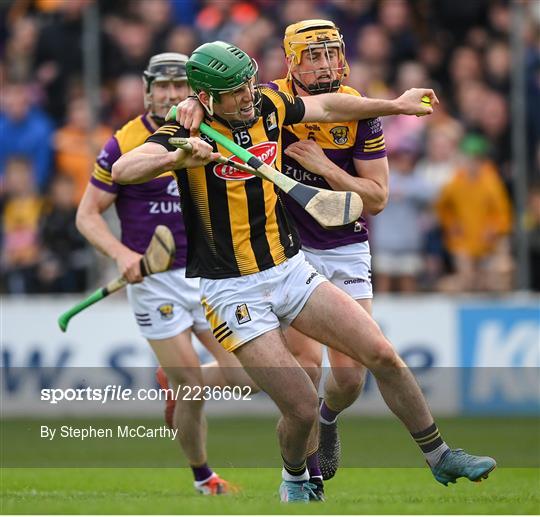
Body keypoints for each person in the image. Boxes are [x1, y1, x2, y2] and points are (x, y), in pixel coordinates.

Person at [112, 41, 495, 503]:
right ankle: (294, 479)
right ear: (209, 96)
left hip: (291, 270)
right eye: (235, 90)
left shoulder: (269, 105)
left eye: (250, 81)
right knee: (299, 407)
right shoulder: (184, 127)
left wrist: (394, 105)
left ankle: (439, 455)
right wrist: (177, 157)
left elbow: (330, 105)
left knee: (382, 354)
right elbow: (123, 168)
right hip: (233, 290)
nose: (248, 94)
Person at [76, 52, 255, 496]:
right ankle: (203, 478)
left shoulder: (209, 127)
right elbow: (87, 215)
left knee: (250, 380)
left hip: (210, 274)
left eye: (180, 87)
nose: (171, 94)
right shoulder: (124, 142)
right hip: (154, 279)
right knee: (193, 385)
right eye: (162, 86)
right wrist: (120, 254)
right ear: (147, 89)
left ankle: (171, 384)